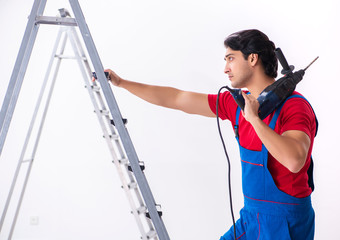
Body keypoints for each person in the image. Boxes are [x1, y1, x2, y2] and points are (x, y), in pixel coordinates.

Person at [102, 29, 317, 240]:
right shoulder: (237, 104)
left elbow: (294, 160)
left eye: (230, 58)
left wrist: (254, 119)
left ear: (252, 59)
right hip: (251, 216)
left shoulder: (294, 106)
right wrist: (122, 84)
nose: (225, 68)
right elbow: (177, 98)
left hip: (285, 222)